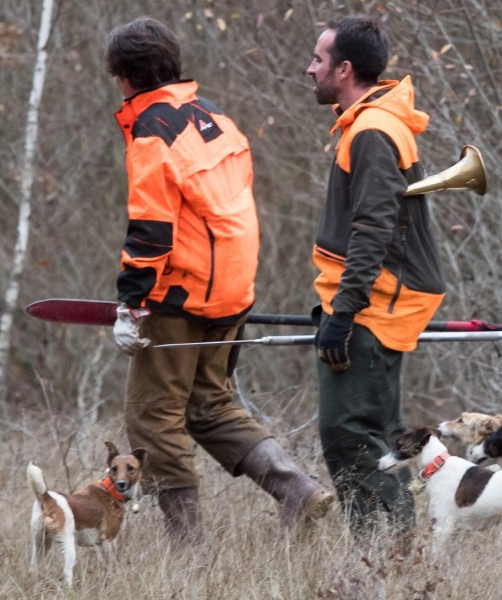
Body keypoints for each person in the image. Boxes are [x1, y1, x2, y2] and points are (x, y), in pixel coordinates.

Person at [105, 16, 334, 542]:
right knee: (210, 405)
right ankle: (296, 488)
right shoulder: (216, 118)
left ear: (123, 77)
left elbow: (151, 226)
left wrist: (132, 302)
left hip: (179, 298)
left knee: (152, 418)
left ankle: (188, 550)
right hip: (233, 291)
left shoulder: (151, 131)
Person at [305, 16, 446, 531]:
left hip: (374, 305)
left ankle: (383, 559)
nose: (309, 68)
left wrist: (344, 312)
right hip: (370, 301)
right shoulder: (370, 123)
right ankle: (396, 558)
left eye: (318, 60)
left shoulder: (371, 131)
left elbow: (374, 228)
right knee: (379, 434)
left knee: (350, 435)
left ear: (343, 69)